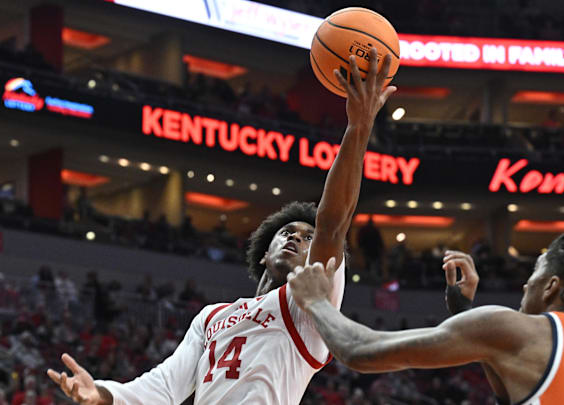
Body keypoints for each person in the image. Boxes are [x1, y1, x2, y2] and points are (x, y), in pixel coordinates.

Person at [46, 47, 397, 405]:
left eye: (307, 238)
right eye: (287, 231)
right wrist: (102, 393)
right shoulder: (212, 316)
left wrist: (359, 127)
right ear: (264, 254)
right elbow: (165, 386)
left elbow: (333, 222)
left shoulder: (308, 305)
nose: (296, 236)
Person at [289, 221, 564, 404]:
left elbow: (361, 351)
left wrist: (317, 300)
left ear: (553, 286)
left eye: (534, 276)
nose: (525, 286)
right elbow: (515, 367)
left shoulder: (523, 332)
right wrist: (463, 310)